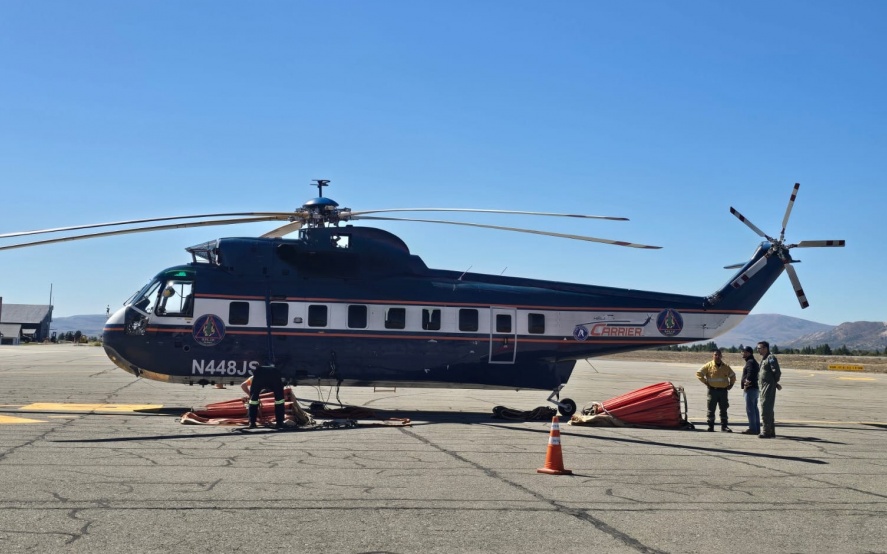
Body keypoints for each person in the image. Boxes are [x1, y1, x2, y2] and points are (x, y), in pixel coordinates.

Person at [696, 349, 736, 432]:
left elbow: (733, 376)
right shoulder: (708, 365)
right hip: (712, 391)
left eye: (719, 355)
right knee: (711, 409)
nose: (717, 357)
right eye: (715, 355)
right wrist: (706, 382)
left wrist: (731, 384)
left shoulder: (726, 367)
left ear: (721, 356)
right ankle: (711, 426)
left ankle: (724, 426)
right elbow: (699, 373)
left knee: (724, 409)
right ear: (713, 356)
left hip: (723, 392)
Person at [246, 365, 286, 429]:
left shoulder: (256, 374)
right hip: (274, 375)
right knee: (279, 400)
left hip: (260, 375)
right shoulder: (275, 369)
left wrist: (252, 395)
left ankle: (252, 423)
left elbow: (243, 385)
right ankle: (279, 423)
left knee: (253, 400)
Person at [756, 341, 782, 438]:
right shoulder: (764, 359)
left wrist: (774, 382)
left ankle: (766, 431)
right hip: (763, 386)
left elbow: (777, 372)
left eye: (759, 348)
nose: (758, 350)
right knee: (768, 409)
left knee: (765, 408)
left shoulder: (770, 358)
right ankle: (771, 431)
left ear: (765, 348)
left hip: (767, 387)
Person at [739, 346, 761, 435]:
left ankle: (752, 428)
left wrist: (746, 384)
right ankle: (756, 428)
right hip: (755, 388)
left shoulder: (750, 362)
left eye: (744, 352)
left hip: (750, 389)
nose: (742, 353)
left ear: (749, 353)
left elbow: (750, 373)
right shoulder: (753, 361)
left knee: (750, 410)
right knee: (754, 409)